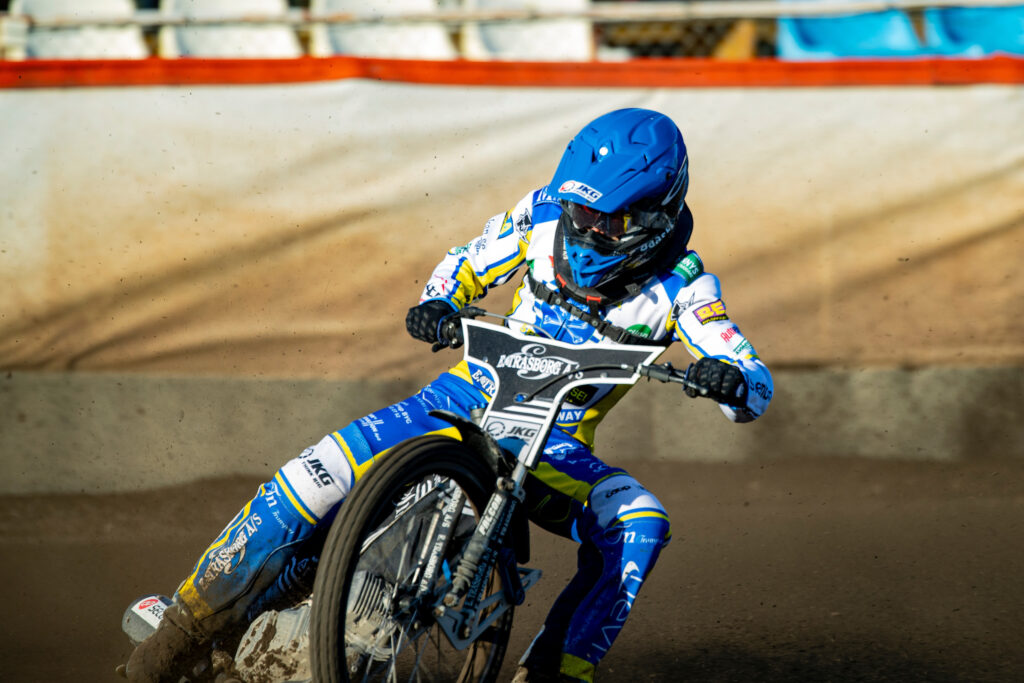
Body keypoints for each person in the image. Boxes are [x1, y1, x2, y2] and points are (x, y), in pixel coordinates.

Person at [123, 107, 773, 683]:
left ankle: (555, 671)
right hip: (460, 399)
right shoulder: (542, 214)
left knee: (641, 523)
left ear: (653, 219)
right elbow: (467, 261)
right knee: (313, 473)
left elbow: (751, 379)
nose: (584, 229)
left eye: (606, 220)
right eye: (580, 211)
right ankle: (184, 623)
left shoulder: (685, 288)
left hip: (554, 447)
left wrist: (729, 379)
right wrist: (439, 300)